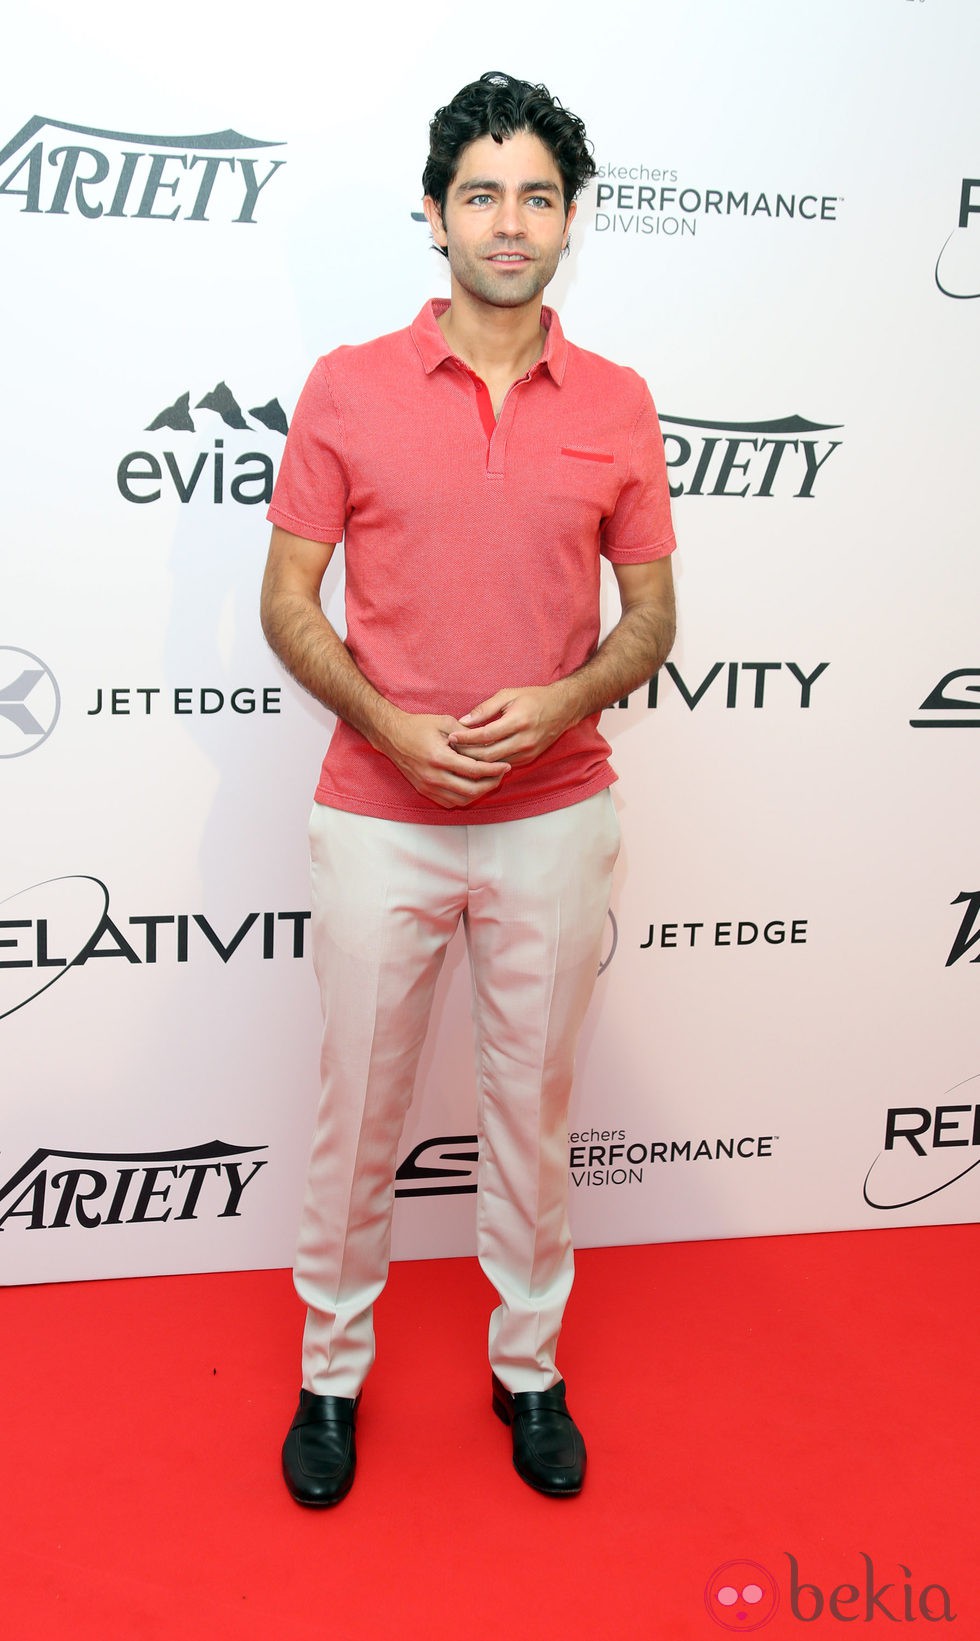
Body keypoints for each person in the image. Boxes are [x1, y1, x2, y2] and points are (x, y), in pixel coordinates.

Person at [260, 69, 677, 1507]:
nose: (511, 221)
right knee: (358, 1109)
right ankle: (329, 1375)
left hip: (556, 811)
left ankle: (528, 1366)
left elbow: (651, 621)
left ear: (571, 223)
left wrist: (564, 698)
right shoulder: (347, 387)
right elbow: (289, 604)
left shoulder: (618, 403)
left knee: (531, 1105)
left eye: (539, 197)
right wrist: (389, 719)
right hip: (379, 814)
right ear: (434, 215)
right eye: (484, 194)